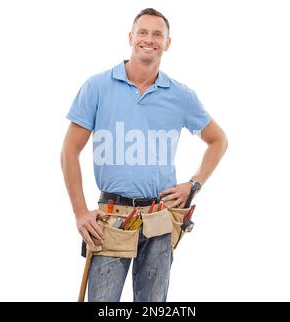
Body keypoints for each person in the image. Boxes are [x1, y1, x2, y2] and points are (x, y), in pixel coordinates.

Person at [60, 8, 228, 302]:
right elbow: (69, 152)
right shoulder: (97, 87)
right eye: (143, 32)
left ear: (167, 43)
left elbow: (218, 140)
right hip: (111, 219)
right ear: (130, 38)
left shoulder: (180, 95)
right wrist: (79, 213)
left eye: (157, 34)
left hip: (160, 219)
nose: (149, 39)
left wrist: (194, 184)